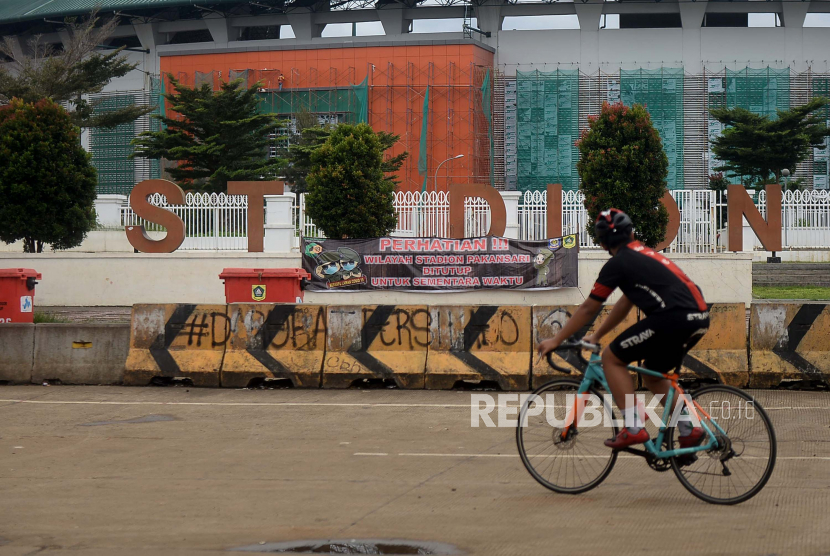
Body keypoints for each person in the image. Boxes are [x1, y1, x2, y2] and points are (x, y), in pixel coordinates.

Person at [537, 209, 710, 449]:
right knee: (652, 373)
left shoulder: (618, 263)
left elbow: (589, 307)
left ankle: (633, 427)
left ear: (602, 242)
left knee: (611, 357)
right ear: (631, 232)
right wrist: (597, 335)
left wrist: (556, 340)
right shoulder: (644, 254)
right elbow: (626, 302)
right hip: (699, 317)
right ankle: (689, 429)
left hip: (673, 318)